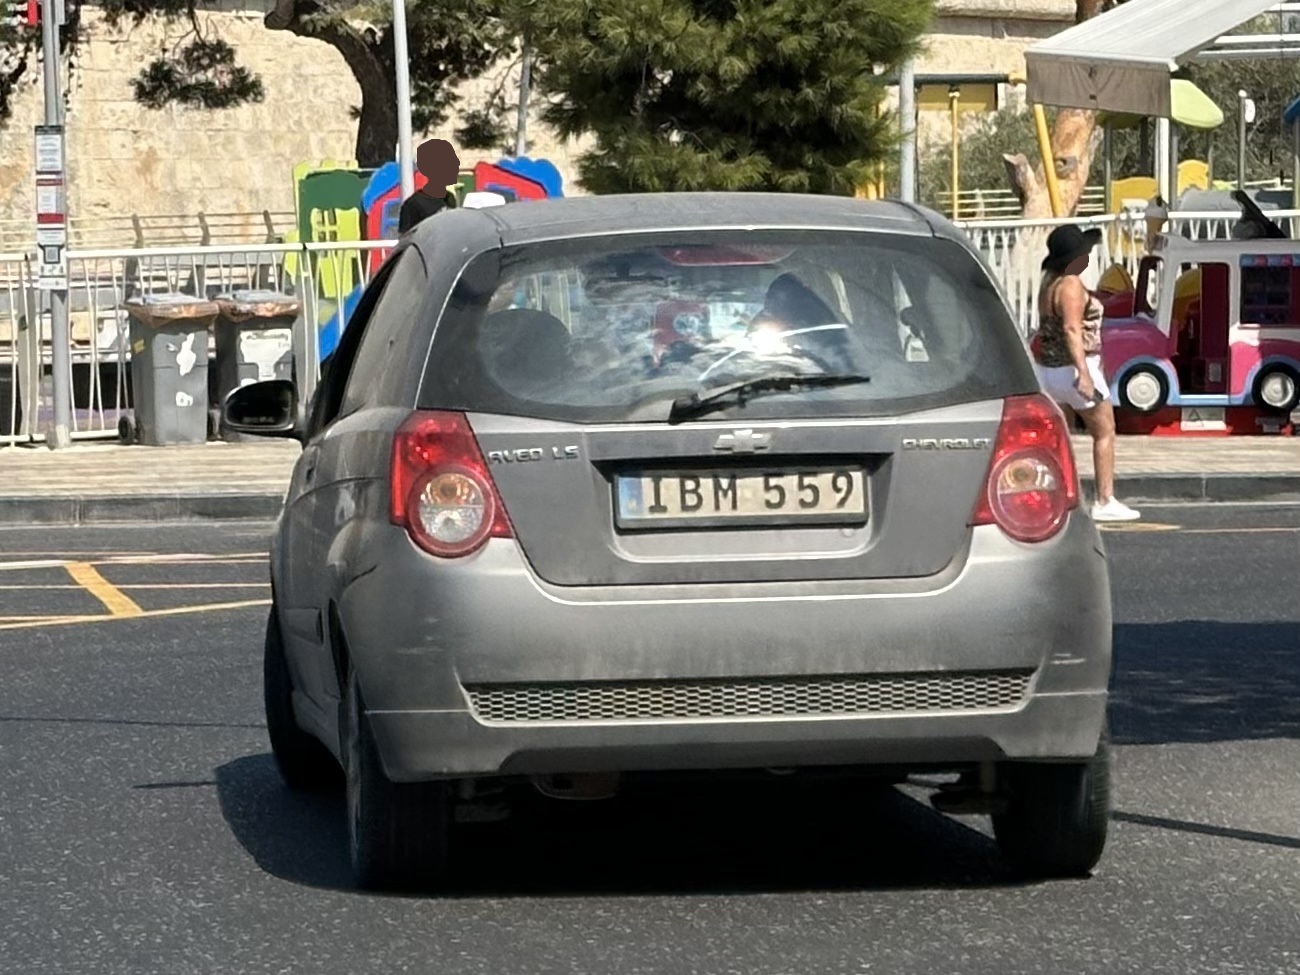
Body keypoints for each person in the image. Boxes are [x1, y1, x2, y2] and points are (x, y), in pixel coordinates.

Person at [1033, 225, 1141, 523]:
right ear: (1075, 258)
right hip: (1073, 368)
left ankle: (1056, 495)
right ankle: (1105, 499)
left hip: (1048, 370)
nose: (1088, 257)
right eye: (1085, 253)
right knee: (1104, 432)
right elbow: (1072, 329)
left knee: (1060, 436)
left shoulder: (1048, 285)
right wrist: (1085, 373)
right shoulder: (1071, 285)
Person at [398, 139, 460, 233]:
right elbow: (406, 238)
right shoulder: (413, 205)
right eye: (448, 161)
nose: (456, 164)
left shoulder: (450, 199)